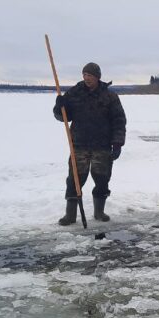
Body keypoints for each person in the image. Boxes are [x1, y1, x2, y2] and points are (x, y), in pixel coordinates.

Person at [53, 62, 126, 225]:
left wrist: (118, 143)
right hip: (79, 144)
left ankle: (99, 212)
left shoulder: (110, 96)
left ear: (97, 77)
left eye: (90, 75)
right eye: (84, 75)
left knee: (102, 179)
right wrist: (59, 108)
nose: (86, 78)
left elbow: (119, 121)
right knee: (75, 179)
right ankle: (70, 215)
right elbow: (63, 117)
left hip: (102, 145)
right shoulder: (74, 93)